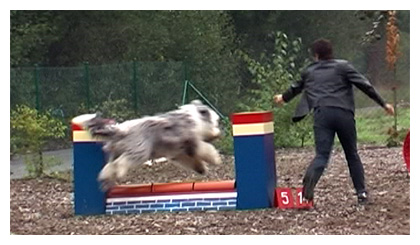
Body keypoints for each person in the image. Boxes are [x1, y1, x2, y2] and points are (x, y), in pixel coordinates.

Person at [273, 38, 395, 205]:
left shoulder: (309, 71)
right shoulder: (343, 67)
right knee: (352, 154)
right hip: (344, 114)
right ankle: (362, 194)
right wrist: (383, 103)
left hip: (322, 114)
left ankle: (309, 184)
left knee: (322, 155)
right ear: (331, 52)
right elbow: (364, 85)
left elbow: (296, 87)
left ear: (316, 55)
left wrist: (283, 98)